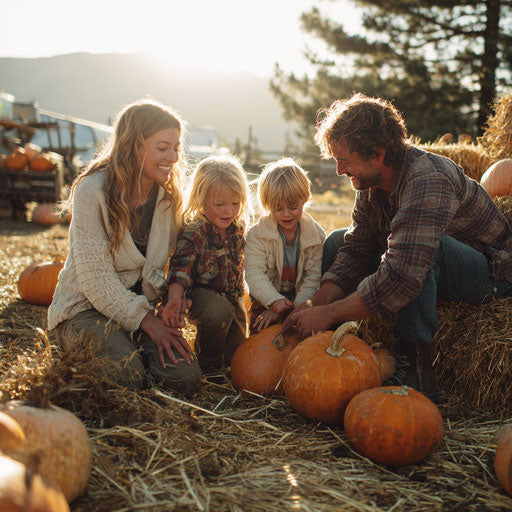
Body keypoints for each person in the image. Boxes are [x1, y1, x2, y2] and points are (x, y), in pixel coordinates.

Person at [283, 92, 512, 402]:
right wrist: (317, 307)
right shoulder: (371, 183)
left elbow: (401, 277)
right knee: (339, 240)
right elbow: (356, 248)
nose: (339, 170)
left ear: (377, 154)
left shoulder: (428, 179)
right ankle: (326, 345)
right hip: (431, 258)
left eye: (344, 161)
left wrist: (331, 312)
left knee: (424, 253)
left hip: (490, 271)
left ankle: (416, 370)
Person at [48, 98, 203, 395]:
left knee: (184, 379)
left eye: (176, 147)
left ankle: (128, 346)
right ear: (134, 146)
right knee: (123, 378)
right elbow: (96, 280)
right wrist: (148, 322)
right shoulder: (92, 191)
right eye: (162, 148)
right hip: (86, 309)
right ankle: (91, 347)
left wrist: (175, 296)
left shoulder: (168, 198)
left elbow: (178, 259)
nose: (172, 157)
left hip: (140, 308)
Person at [160, 154, 250, 376]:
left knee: (237, 354)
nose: (228, 211)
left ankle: (224, 365)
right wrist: (175, 296)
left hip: (231, 294)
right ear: (201, 198)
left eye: (235, 204)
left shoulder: (237, 229)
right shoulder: (194, 232)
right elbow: (179, 267)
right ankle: (207, 365)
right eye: (219, 204)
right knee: (218, 313)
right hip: (201, 295)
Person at [244, 158, 325, 332]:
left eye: (293, 207)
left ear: (304, 199)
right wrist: (274, 302)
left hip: (300, 299)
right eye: (278, 208)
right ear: (267, 205)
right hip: (266, 298)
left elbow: (313, 277)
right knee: (263, 340)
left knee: (300, 338)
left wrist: (296, 308)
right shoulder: (258, 235)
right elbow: (254, 273)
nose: (286, 214)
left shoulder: (315, 236)